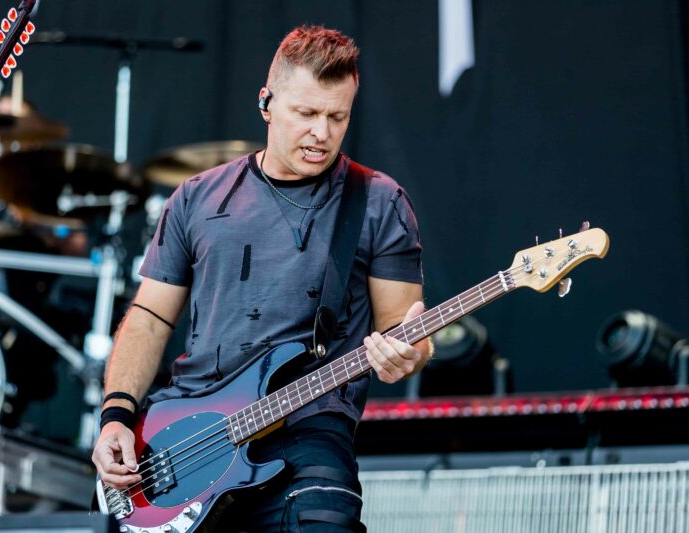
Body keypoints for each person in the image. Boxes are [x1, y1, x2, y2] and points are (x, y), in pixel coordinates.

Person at [91, 25, 433, 531]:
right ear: (266, 103)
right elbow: (149, 316)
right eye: (306, 114)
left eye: (337, 117)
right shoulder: (196, 197)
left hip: (309, 430)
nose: (322, 133)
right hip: (185, 437)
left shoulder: (379, 201)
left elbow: (403, 331)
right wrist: (117, 415)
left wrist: (409, 353)